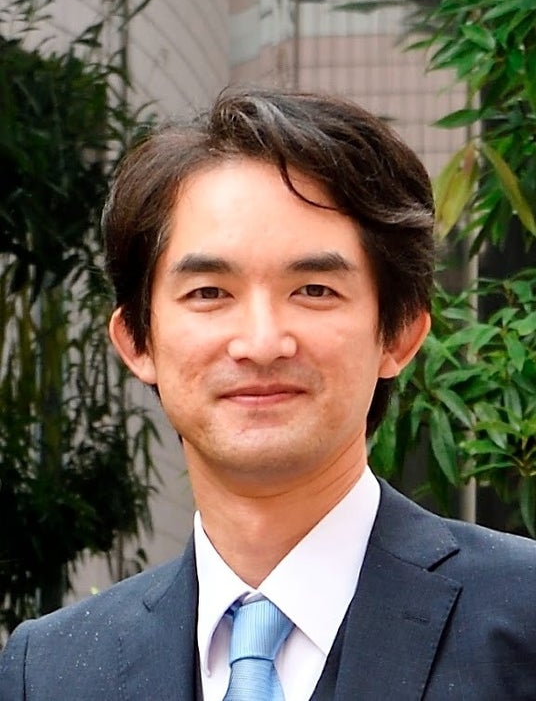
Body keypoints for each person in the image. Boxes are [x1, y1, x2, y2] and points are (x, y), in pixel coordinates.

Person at [1, 88, 535, 701]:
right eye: (208, 293)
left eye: (314, 290)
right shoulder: (50, 671)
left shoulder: (521, 621)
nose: (260, 343)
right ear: (137, 341)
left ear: (399, 335)